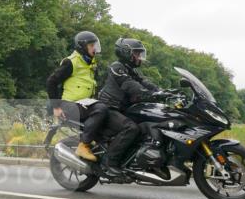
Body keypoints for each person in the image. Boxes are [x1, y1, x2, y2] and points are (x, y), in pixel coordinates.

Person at [98, 38, 170, 170]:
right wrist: (149, 93)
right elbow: (130, 85)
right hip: (110, 108)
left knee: (147, 123)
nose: (139, 57)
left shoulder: (132, 69)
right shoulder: (117, 67)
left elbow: (144, 82)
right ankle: (108, 162)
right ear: (126, 53)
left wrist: (162, 91)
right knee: (131, 128)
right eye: (136, 53)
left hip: (124, 109)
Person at [46, 31, 107, 163]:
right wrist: (56, 107)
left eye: (95, 45)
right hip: (70, 105)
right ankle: (83, 145)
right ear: (82, 47)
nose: (94, 48)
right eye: (91, 45)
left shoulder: (91, 64)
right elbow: (51, 82)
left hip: (84, 104)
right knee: (101, 109)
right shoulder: (71, 62)